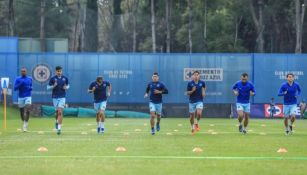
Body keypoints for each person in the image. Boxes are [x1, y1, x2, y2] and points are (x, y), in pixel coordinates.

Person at [47, 66, 69, 135]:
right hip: (55, 97)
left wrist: (66, 87)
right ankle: (56, 121)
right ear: (56, 71)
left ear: (61, 71)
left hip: (62, 97)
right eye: (58, 71)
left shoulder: (65, 78)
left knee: (60, 111)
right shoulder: (53, 79)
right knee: (57, 112)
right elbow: (48, 87)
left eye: (60, 71)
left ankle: (59, 128)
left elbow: (68, 86)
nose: (59, 72)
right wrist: (53, 86)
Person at [186, 71, 206, 135]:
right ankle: (192, 127)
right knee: (192, 116)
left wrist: (203, 92)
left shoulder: (202, 82)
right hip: (192, 101)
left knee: (199, 113)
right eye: (194, 75)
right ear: (192, 76)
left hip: (199, 100)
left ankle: (196, 123)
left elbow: (204, 87)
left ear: (199, 76)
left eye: (197, 75)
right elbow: (187, 93)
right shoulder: (190, 83)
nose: (196, 76)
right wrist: (192, 90)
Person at [14, 67, 32, 132]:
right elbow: (15, 88)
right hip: (21, 97)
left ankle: (25, 126)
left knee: (27, 110)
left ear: (26, 72)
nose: (23, 72)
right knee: (21, 112)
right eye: (22, 71)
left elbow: (31, 86)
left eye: (24, 71)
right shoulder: (18, 79)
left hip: (28, 96)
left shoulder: (30, 78)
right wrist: (20, 83)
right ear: (21, 72)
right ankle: (23, 122)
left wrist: (30, 88)